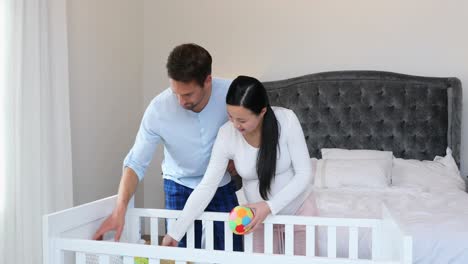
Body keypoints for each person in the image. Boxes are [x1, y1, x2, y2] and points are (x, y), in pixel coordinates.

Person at [92, 43, 243, 251]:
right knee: (180, 251)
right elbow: (136, 163)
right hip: (179, 183)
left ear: (208, 80)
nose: (180, 101)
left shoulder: (233, 94)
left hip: (220, 182)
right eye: (176, 93)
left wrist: (239, 155)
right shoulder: (158, 110)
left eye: (188, 95)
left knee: (234, 248)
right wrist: (120, 209)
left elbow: (255, 126)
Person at [162, 75, 318, 255]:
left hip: (297, 212)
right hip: (256, 219)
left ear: (262, 111)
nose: (235, 125)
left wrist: (269, 206)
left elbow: (304, 174)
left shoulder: (286, 120)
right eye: (230, 116)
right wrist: (175, 232)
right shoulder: (226, 134)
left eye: (242, 120)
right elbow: (207, 186)